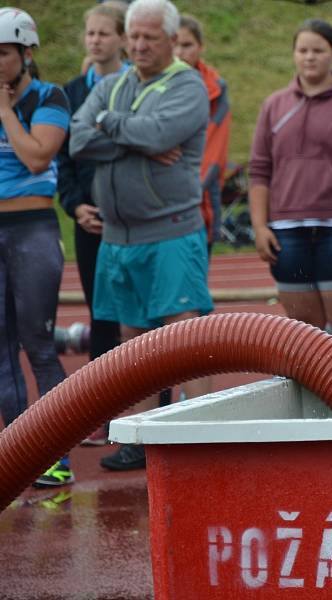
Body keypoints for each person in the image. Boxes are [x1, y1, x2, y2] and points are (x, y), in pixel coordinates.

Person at [70, 0, 213, 471]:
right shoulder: (113, 83)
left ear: (171, 39)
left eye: (150, 37)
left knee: (183, 336)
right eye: (134, 37)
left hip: (170, 231)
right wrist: (136, 138)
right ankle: (145, 438)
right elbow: (77, 140)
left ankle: (207, 436)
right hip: (118, 237)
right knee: (134, 343)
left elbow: (156, 134)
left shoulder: (187, 85)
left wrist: (109, 126)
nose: (139, 45)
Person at [248, 19, 332, 358]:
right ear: (294, 54)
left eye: (317, 50)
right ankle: (309, 408)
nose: (309, 57)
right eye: (302, 50)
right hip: (286, 234)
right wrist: (259, 225)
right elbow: (259, 170)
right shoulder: (274, 105)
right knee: (302, 331)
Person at [0, 8, 73, 486]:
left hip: (33, 228)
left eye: (2, 53)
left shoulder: (50, 96)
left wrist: (4, 111)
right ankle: (16, 450)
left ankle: (56, 454)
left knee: (38, 343)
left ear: (26, 53)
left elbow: (36, 155)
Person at [57, 2, 128, 446]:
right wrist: (76, 206)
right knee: (102, 317)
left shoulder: (136, 86)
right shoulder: (70, 92)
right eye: (91, 34)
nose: (96, 41)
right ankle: (104, 412)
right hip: (90, 224)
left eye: (104, 33)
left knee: (144, 320)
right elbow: (64, 160)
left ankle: (157, 407)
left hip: (132, 222)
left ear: (121, 38)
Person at [174, 14, 231, 254]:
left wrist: (189, 191)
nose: (179, 52)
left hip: (200, 200)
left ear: (201, 47)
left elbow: (212, 151)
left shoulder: (216, 89)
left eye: (187, 45)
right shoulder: (145, 83)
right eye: (173, 44)